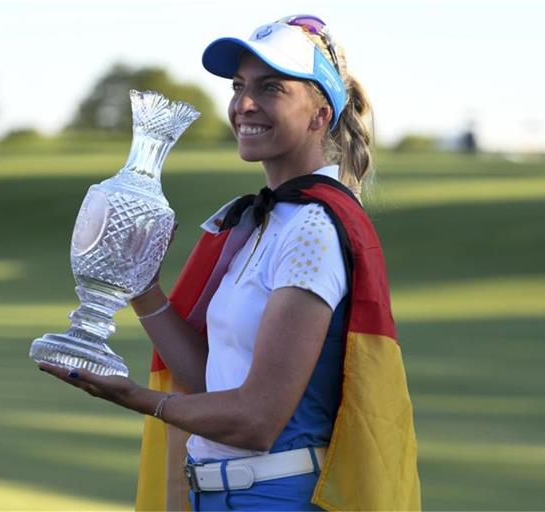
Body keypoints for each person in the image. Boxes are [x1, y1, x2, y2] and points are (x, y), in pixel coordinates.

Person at [39, 14, 421, 511]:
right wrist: (143, 288)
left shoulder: (313, 228)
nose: (243, 104)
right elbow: (212, 385)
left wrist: (133, 397)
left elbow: (257, 420)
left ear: (320, 113)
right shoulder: (263, 222)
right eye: (238, 86)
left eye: (271, 88)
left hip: (276, 498)